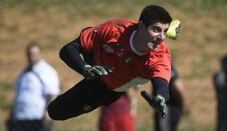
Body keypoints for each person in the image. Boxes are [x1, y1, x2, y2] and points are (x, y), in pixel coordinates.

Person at [47, 5, 181, 121]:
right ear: (140, 26)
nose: (161, 38)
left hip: (107, 87)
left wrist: (161, 98)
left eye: (165, 31)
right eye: (156, 29)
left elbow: (161, 83)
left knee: (55, 111)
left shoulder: (160, 56)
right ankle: (92, 69)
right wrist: (85, 69)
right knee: (90, 35)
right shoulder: (116, 29)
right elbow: (67, 50)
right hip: (97, 64)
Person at [6, 42, 61, 131]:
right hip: (21, 117)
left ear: (40, 54)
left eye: (34, 54)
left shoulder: (47, 71)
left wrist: (47, 114)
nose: (31, 57)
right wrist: (12, 115)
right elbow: (18, 96)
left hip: (38, 117)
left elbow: (52, 93)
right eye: (29, 54)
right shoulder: (23, 73)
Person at [154, 64, 189, 131]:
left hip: (168, 108)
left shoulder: (165, 65)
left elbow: (178, 87)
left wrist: (185, 104)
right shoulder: (161, 64)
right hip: (165, 108)